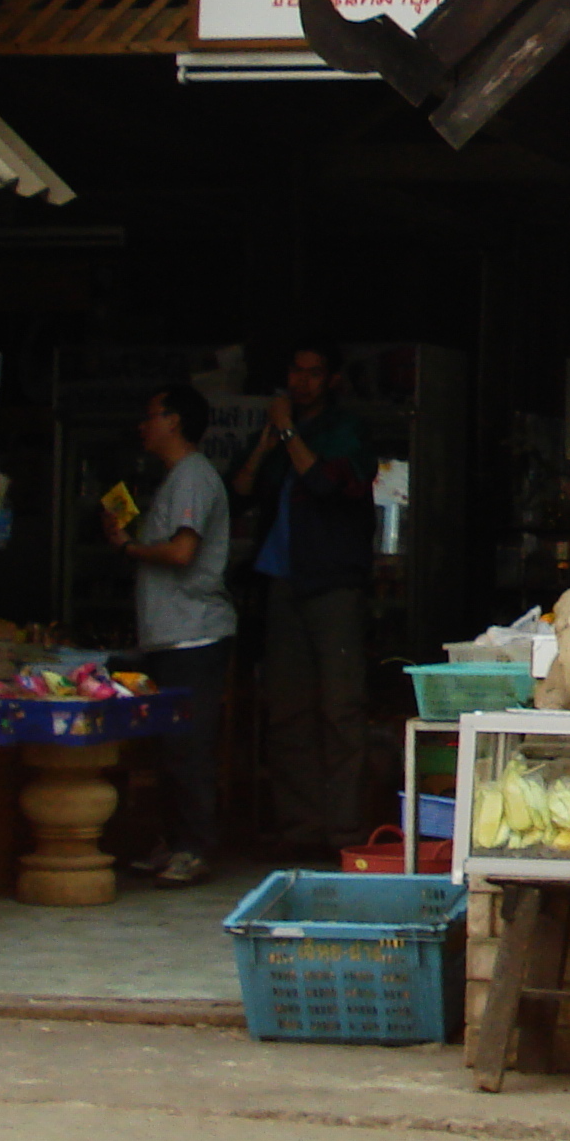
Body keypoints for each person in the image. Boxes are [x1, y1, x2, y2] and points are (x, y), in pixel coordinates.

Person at [229, 345, 376, 855]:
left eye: (314, 373)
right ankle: (299, 831)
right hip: (282, 581)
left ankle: (344, 832)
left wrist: (290, 432)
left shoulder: (345, 430)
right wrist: (269, 439)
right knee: (288, 713)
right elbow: (242, 489)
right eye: (295, 371)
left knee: (340, 710)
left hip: (333, 583)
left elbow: (327, 484)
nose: (303, 381)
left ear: (332, 380)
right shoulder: (276, 434)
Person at [102, 383, 234, 886]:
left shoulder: (193, 478)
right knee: (169, 748)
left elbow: (181, 552)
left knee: (189, 748)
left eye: (151, 414)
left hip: (194, 636)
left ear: (174, 421)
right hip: (170, 634)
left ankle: (195, 847)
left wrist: (130, 549)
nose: (145, 423)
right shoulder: (177, 478)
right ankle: (176, 841)